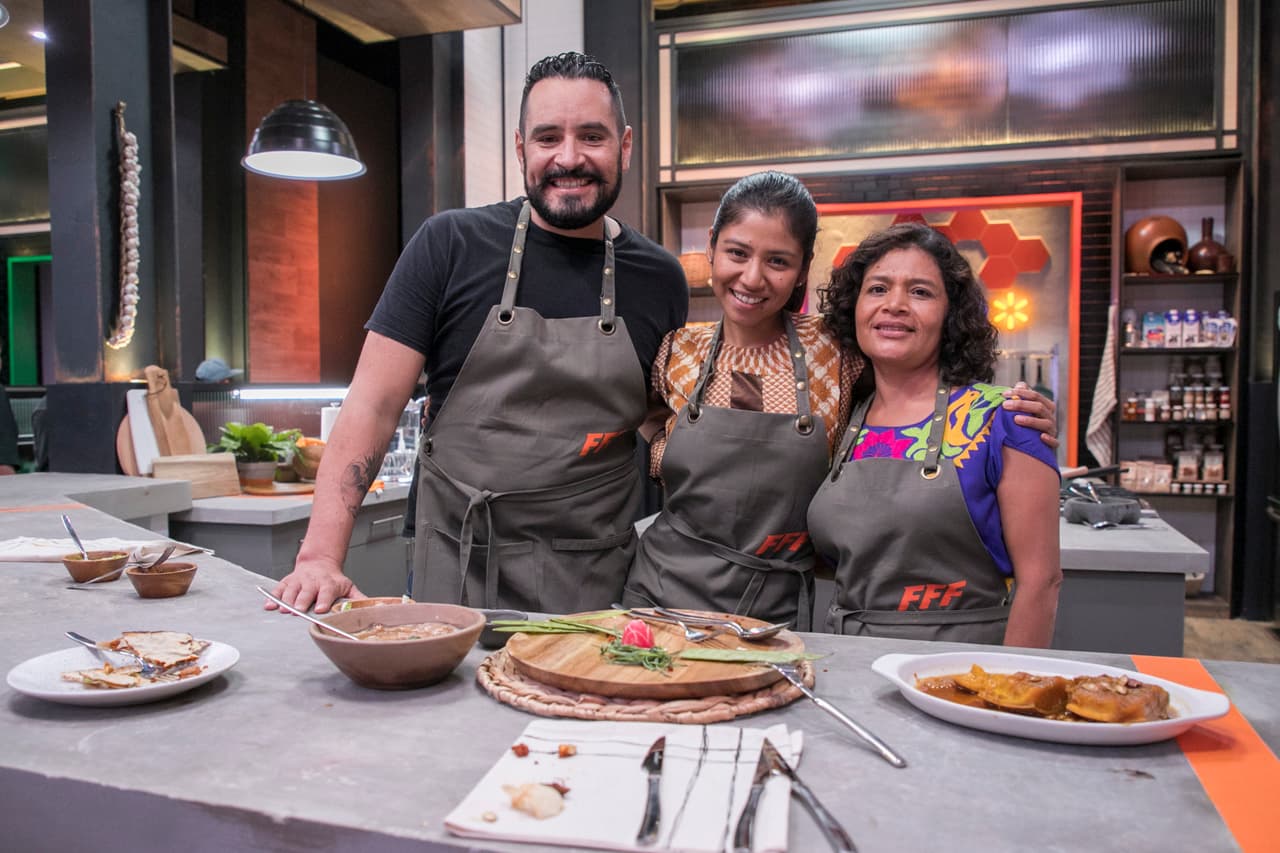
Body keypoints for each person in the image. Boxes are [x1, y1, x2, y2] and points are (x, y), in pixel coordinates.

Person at [267, 52, 688, 615]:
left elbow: (660, 425)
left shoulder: (659, 278)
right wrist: (320, 556)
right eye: (548, 138)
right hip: (457, 572)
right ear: (520, 148)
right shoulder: (449, 245)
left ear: (625, 146)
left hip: (595, 587)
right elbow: (372, 404)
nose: (569, 157)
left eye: (592, 136)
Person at [623, 173, 1057, 632]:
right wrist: (665, 451)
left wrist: (1020, 417)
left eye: (778, 260)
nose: (752, 276)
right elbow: (637, 416)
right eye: (737, 253)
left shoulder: (836, 350)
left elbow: (915, 379)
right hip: (661, 592)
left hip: (771, 611)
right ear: (711, 246)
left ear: (802, 269)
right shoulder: (676, 350)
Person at [808, 222, 1062, 646]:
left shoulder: (1004, 419)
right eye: (877, 289)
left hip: (965, 665)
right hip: (849, 656)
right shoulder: (839, 419)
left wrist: (1008, 683)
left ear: (951, 315)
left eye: (920, 292)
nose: (894, 305)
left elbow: (1042, 583)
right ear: (854, 308)